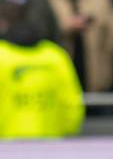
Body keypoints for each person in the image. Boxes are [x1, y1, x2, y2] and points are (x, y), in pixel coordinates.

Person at [0, 10, 84, 139]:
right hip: (50, 142)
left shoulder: (2, 55)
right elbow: (71, 101)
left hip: (6, 143)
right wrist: (69, 130)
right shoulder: (55, 56)